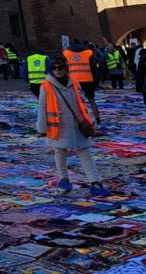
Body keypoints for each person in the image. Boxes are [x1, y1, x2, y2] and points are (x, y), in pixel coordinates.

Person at [36, 56, 106, 197]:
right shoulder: (46, 85)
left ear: (66, 68)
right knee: (60, 152)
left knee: (84, 152)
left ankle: (95, 182)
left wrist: (89, 120)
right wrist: (42, 128)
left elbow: (81, 103)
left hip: (77, 123)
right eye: (54, 68)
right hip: (58, 125)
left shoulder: (74, 82)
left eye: (60, 67)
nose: (57, 70)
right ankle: (64, 179)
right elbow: (42, 107)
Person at [63, 43, 101, 125]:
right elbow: (93, 68)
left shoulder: (66, 53)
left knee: (76, 101)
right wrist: (96, 81)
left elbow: (65, 68)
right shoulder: (88, 53)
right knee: (91, 100)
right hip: (88, 79)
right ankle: (97, 119)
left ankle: (79, 120)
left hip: (74, 80)